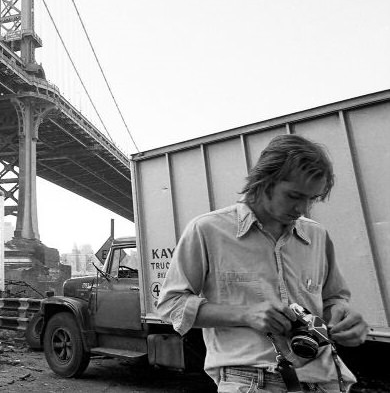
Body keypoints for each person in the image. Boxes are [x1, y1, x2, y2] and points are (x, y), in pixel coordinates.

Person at [156, 134, 368, 392]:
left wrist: (345, 319)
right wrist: (246, 314)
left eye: (312, 199)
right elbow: (170, 306)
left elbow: (334, 299)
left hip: (326, 381)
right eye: (294, 196)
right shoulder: (207, 230)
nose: (303, 208)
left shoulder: (317, 235)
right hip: (251, 381)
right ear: (264, 181)